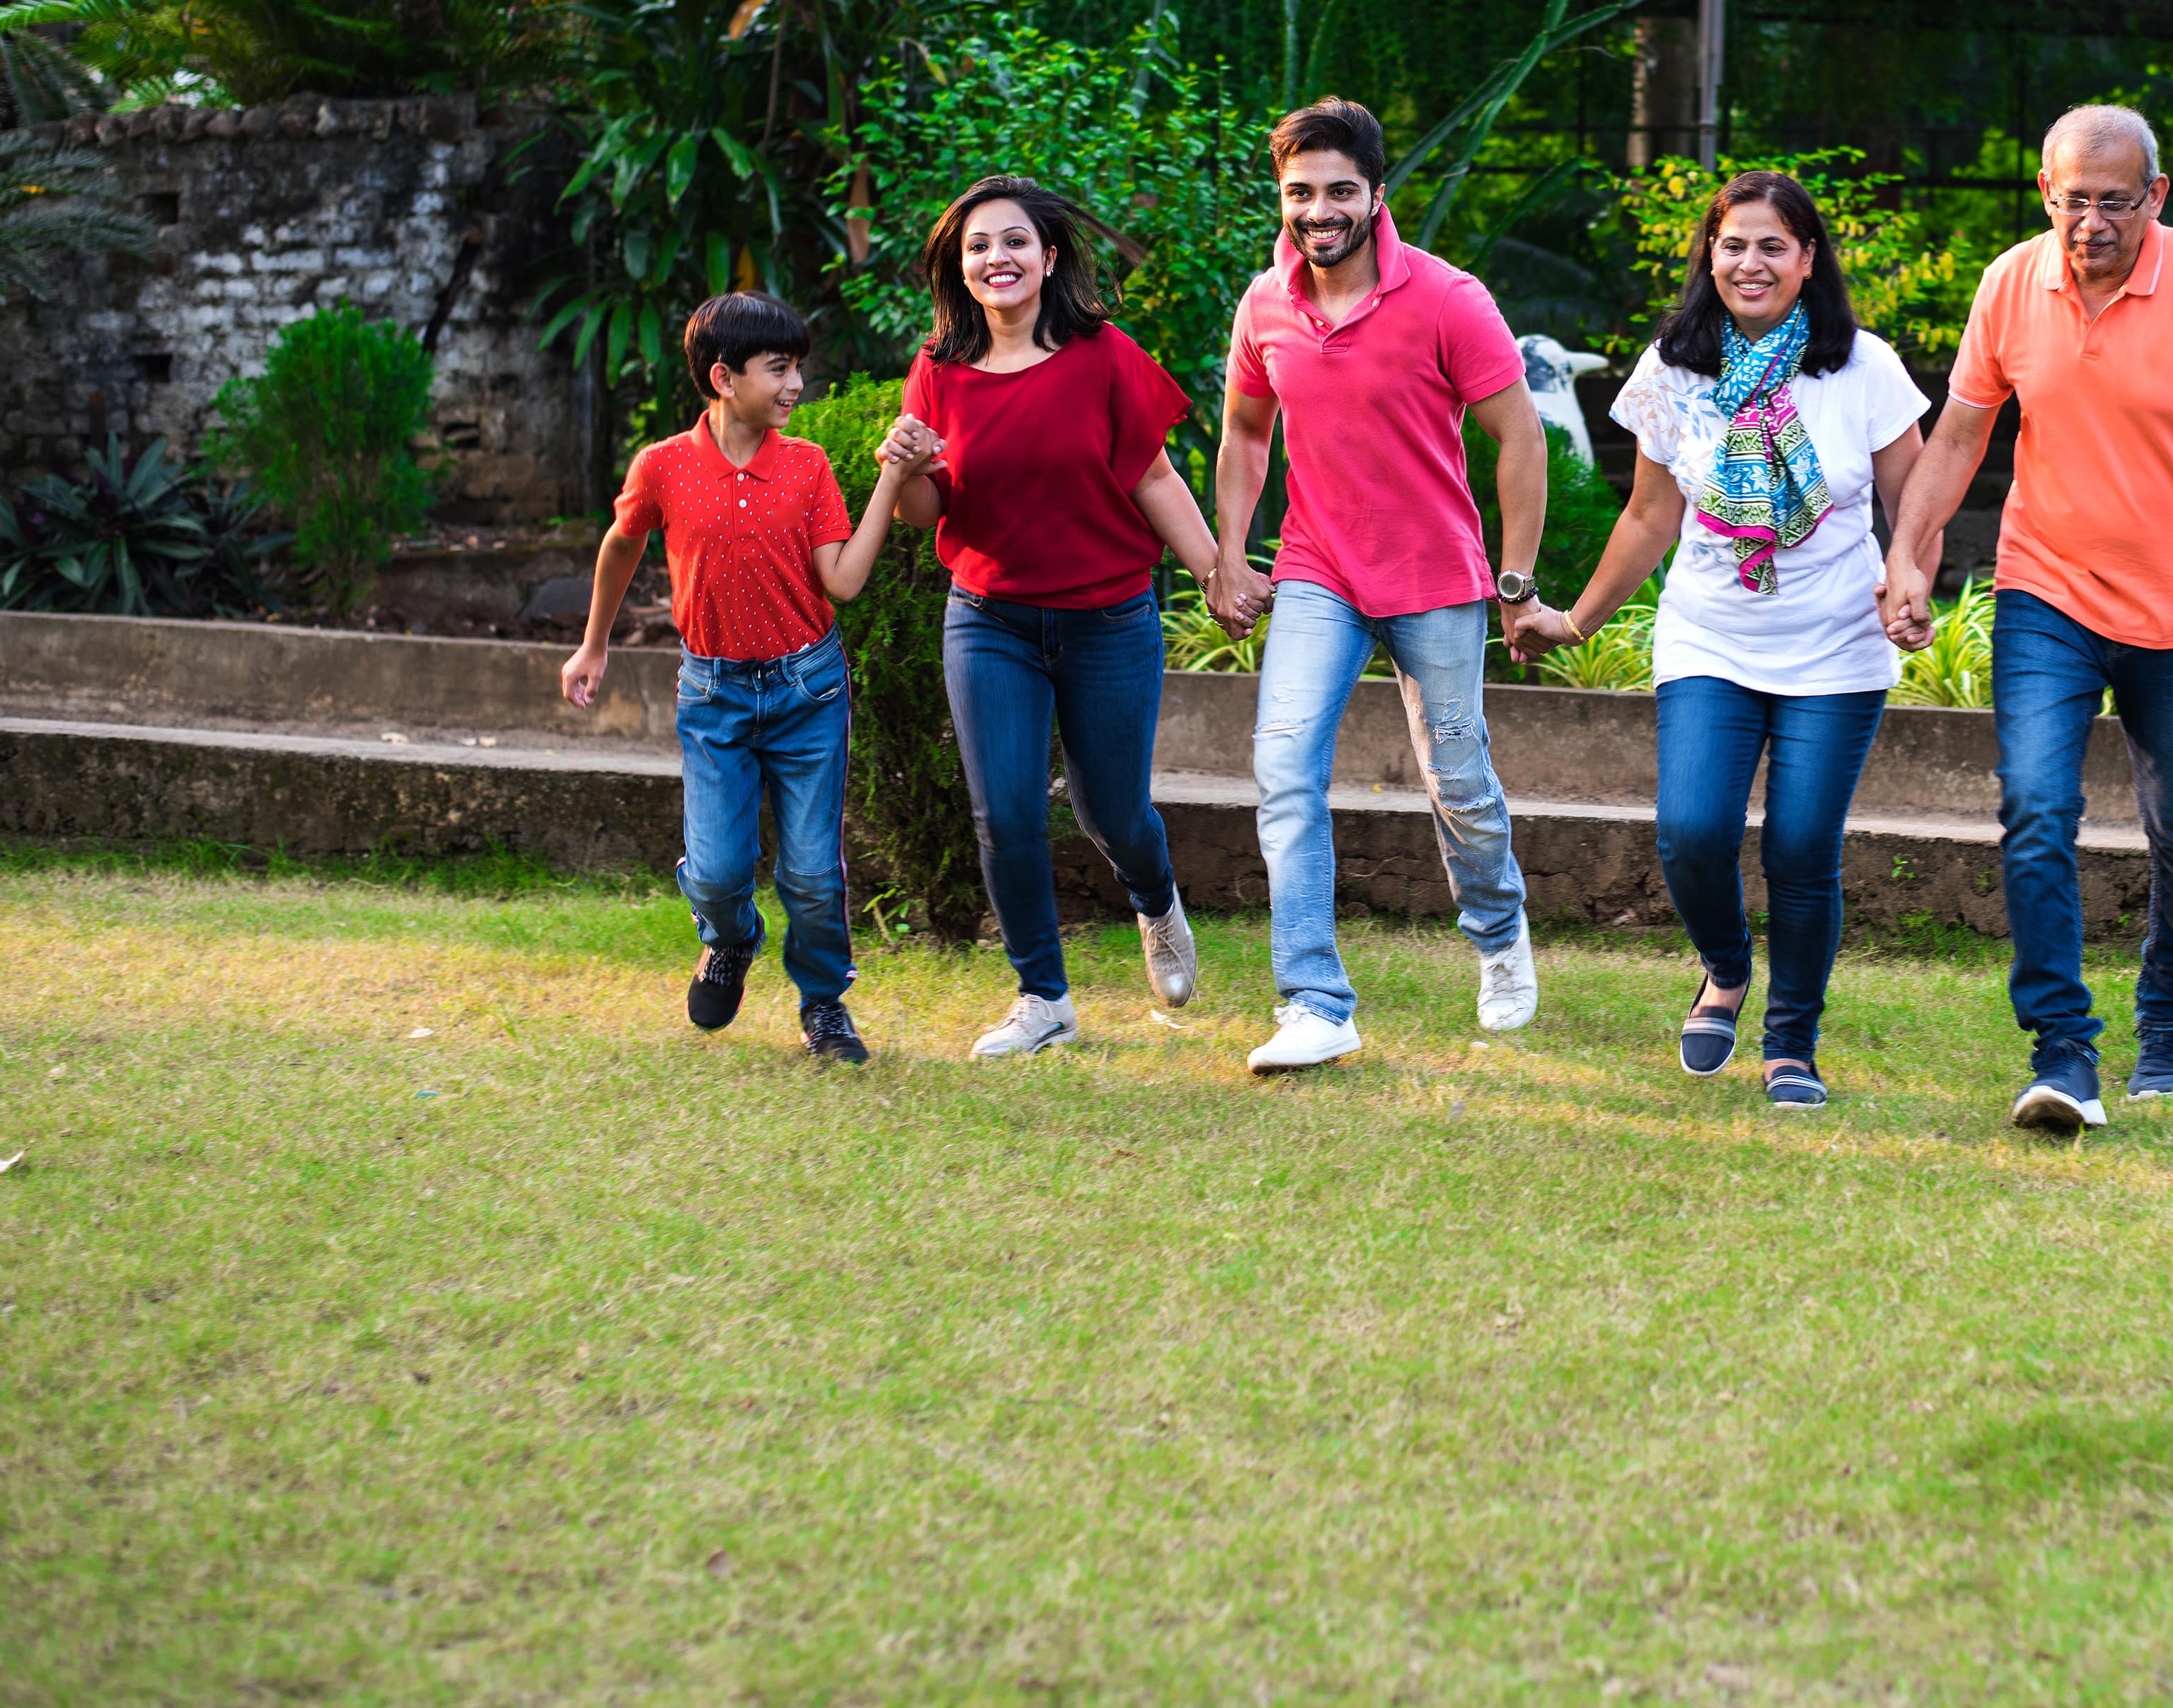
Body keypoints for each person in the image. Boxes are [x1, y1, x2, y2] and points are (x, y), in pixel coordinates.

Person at [1878, 104, 2173, 1135]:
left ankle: (2171, 1018)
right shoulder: (2010, 282)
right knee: (2036, 805)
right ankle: (2062, 1050)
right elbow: (1959, 437)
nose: (2091, 222)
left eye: (2114, 201)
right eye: (2073, 201)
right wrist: (1907, 557)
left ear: (2155, 197)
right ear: (2045, 194)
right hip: (2046, 590)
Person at [1510, 171, 1930, 1111]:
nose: (1751, 263)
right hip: (1711, 637)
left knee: (1802, 847)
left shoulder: (1863, 367)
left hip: (1837, 646)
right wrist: (1574, 621)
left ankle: (1792, 1045)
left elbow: (1915, 506)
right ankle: (1727, 966)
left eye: (1773, 245)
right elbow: (1648, 517)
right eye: (1733, 243)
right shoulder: (1673, 367)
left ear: (1808, 258)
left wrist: (1908, 581)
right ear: (1710, 254)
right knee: (1692, 831)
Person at [1206, 97, 1555, 1072]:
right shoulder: (1264, 304)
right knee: (1284, 769)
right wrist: (1230, 552)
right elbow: (1245, 434)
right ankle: (1314, 1001)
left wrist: (1516, 583)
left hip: (1435, 574)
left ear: (1376, 194)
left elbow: (1520, 437)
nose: (1318, 210)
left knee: (1458, 781)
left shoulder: (1448, 298)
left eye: (1338, 191)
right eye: (1299, 192)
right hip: (1318, 569)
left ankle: (1498, 933)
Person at [874, 179, 1225, 1061]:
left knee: (1114, 814)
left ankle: (1155, 901)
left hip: (1108, 620)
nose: (997, 257)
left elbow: (1153, 477)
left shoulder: (1102, 355)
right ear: (959, 268)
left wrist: (1217, 573)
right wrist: (903, 468)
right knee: (1004, 813)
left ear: (1048, 256)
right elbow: (923, 511)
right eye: (978, 246)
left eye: (1014, 241)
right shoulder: (937, 368)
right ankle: (1043, 999)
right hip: (988, 620)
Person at [561, 291, 932, 1063]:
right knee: (718, 872)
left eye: (798, 367)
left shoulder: (807, 465)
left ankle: (824, 1004)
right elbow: (622, 544)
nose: (796, 383)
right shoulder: (663, 466)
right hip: (713, 695)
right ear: (724, 378)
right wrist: (594, 644)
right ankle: (730, 939)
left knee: (812, 873)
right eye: (779, 368)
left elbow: (843, 581)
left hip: (807, 691)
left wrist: (893, 482)